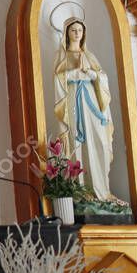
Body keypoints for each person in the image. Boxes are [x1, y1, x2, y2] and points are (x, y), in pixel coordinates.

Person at [52, 17, 114, 200]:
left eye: (80, 30)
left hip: (92, 104)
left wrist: (93, 75)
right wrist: (74, 74)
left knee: (99, 141)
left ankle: (102, 188)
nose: (77, 33)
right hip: (73, 103)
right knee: (76, 141)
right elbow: (58, 79)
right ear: (67, 33)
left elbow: (102, 78)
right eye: (73, 30)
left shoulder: (89, 56)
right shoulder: (61, 56)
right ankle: (81, 191)